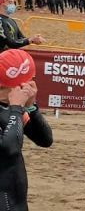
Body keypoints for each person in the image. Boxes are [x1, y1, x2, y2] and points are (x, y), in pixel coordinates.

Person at [0, 49, 53, 210]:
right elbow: (9, 149)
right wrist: (16, 108)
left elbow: (45, 140)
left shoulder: (9, 107)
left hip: (16, 196)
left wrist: (30, 107)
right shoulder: (12, 109)